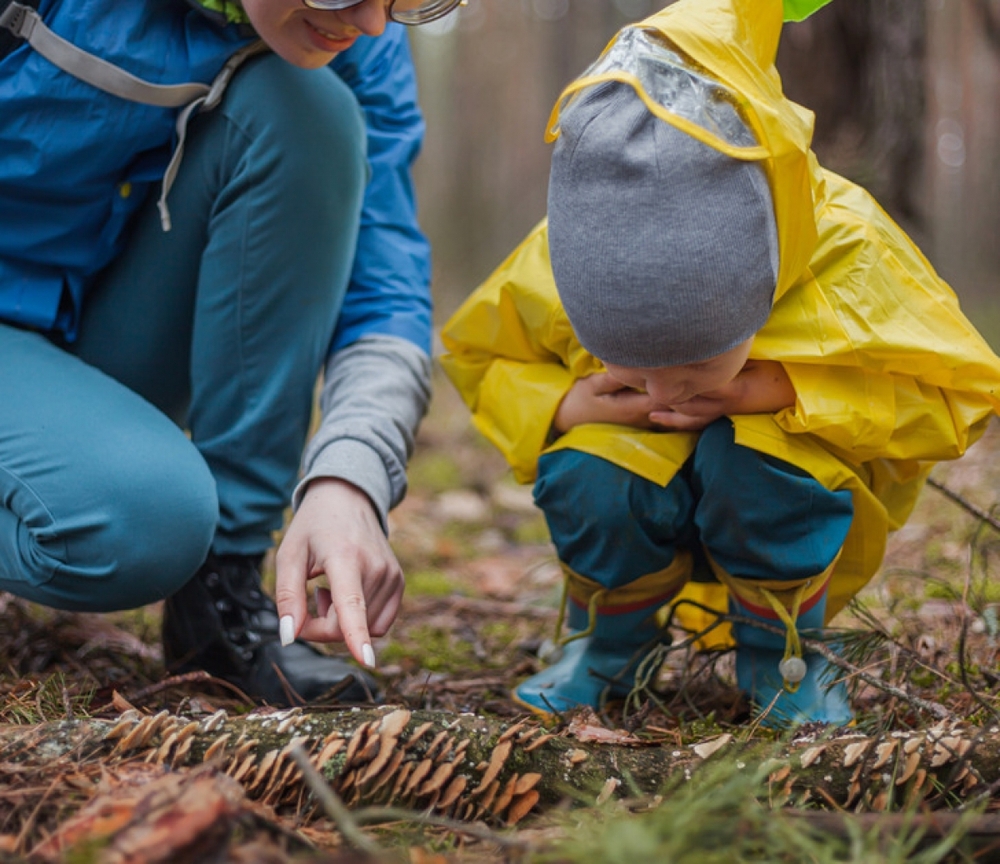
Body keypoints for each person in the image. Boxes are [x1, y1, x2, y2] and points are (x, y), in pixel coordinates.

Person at [440, 0, 1000, 726]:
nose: (665, 393)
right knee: (590, 474)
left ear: (763, 286)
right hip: (637, 483)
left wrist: (784, 388)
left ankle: (786, 658)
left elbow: (953, 392)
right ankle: (608, 647)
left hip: (777, 497)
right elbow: (484, 355)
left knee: (761, 470)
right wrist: (564, 406)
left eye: (694, 366)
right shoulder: (568, 252)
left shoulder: (845, 251)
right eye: (637, 370)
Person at [0, 0, 460, 706]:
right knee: (144, 521)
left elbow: (385, 287)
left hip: (80, 322)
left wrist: (350, 478)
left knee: (308, 107)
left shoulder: (349, 39)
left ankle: (223, 592)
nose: (369, 25)